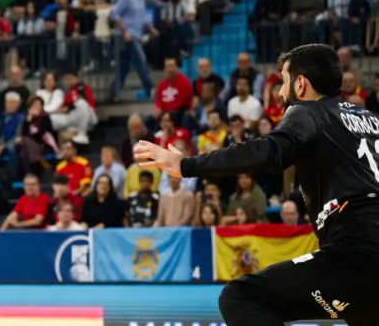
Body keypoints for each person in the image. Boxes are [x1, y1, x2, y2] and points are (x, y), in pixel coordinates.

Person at [133, 44, 379, 324]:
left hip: (357, 250)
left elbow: (266, 151)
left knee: (241, 296)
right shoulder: (372, 119)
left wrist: (184, 165)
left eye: (284, 81)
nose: (280, 91)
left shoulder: (307, 111)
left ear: (301, 83)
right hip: (362, 255)